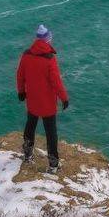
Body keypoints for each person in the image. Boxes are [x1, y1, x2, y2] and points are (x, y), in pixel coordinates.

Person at [16, 24, 69, 172]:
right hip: (47, 103)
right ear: (47, 39)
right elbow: (56, 82)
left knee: (30, 126)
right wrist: (64, 98)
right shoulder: (49, 59)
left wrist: (21, 91)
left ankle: (27, 155)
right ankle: (53, 165)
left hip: (32, 100)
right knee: (51, 134)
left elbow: (20, 75)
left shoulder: (26, 55)